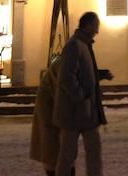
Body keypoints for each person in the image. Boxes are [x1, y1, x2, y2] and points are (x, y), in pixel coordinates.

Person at [53, 12, 113, 176]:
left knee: (93, 151)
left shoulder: (84, 45)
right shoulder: (75, 45)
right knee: (68, 155)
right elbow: (66, 77)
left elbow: (83, 73)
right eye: (96, 26)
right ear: (87, 26)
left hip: (86, 112)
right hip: (73, 112)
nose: (97, 30)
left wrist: (100, 75)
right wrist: (82, 97)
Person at [30, 55, 63, 176]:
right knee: (53, 155)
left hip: (52, 118)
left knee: (54, 155)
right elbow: (66, 91)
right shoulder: (63, 66)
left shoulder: (62, 65)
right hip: (51, 119)